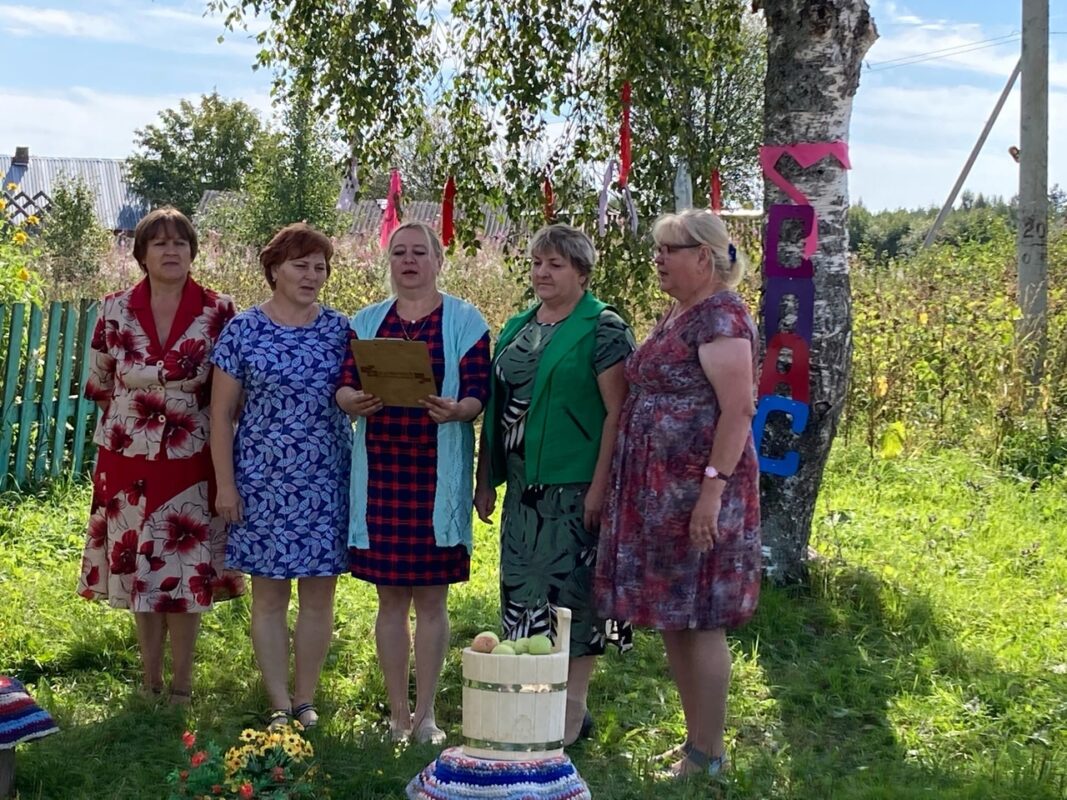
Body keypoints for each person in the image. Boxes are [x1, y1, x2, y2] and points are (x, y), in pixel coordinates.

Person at [594, 209, 761, 778]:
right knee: (674, 616)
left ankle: (710, 753)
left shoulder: (722, 319)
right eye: (658, 249)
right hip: (662, 497)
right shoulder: (682, 311)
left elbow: (738, 411)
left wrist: (711, 493)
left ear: (704, 258)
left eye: (670, 250)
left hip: (699, 496)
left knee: (702, 619)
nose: (658, 259)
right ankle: (697, 744)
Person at [475, 223, 634, 746]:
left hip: (575, 489)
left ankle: (571, 713)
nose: (542, 273)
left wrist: (600, 488)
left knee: (574, 601)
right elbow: (498, 408)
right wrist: (486, 477)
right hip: (524, 492)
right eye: (537, 263)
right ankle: (532, 702)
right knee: (523, 597)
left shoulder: (603, 327)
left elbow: (618, 413)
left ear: (582, 273)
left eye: (555, 264)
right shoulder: (519, 325)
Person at [77, 206, 244, 704]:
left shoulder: (220, 311)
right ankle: (149, 682)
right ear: (141, 253)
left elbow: (232, 393)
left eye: (180, 242)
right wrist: (135, 425)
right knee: (138, 570)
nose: (171, 251)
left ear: (193, 252)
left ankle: (182, 687)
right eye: (160, 243)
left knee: (185, 573)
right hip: (125, 458)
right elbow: (100, 383)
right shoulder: (113, 309)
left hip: (193, 458)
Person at [337, 221, 490, 744]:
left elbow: (478, 392)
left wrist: (459, 410)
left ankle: (427, 716)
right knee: (390, 601)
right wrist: (351, 400)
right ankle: (397, 716)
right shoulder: (365, 321)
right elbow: (344, 385)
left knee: (430, 601)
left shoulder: (466, 320)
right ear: (390, 261)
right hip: (381, 476)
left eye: (419, 252)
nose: (409, 260)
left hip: (435, 478)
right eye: (399, 252)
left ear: (437, 261)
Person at [210, 223, 352, 730]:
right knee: (269, 597)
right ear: (274, 270)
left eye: (320, 267)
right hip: (262, 483)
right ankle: (277, 702)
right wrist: (226, 485)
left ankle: (305, 700)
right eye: (301, 265)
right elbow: (220, 415)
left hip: (325, 482)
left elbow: (357, 395)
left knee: (318, 597)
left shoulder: (341, 330)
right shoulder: (243, 331)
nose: (312, 275)